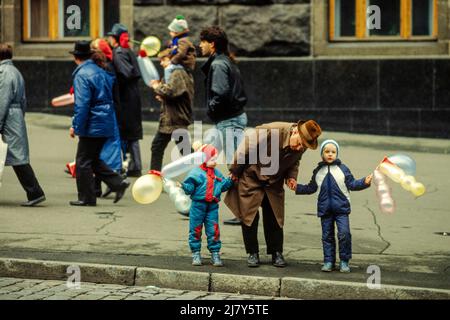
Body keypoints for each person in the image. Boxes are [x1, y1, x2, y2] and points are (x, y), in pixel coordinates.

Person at [225, 120, 322, 268]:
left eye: (303, 147)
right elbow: (244, 149)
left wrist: (291, 177)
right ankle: (252, 253)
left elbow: (294, 162)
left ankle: (276, 253)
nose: (299, 148)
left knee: (275, 216)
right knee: (249, 216)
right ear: (295, 131)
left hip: (274, 181)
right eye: (299, 144)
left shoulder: (303, 143)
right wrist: (234, 171)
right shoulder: (270, 131)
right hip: (252, 176)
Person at [295, 139, 373, 273]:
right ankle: (329, 261)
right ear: (322, 154)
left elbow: (352, 184)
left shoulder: (343, 169)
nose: (330, 154)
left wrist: (364, 182)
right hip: (325, 210)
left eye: (333, 152)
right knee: (327, 236)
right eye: (327, 151)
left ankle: (344, 261)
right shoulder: (318, 171)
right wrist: (296, 187)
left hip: (341, 209)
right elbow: (311, 187)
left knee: (344, 234)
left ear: (337, 153)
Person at [69, 40, 129, 206]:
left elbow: (82, 104)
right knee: (93, 159)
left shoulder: (82, 74)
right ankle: (118, 183)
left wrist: (76, 126)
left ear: (75, 57)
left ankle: (87, 198)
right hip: (105, 120)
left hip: (93, 123)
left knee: (83, 161)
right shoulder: (100, 70)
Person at [199, 25, 248, 225]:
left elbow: (220, 93)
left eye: (202, 41)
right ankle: (198, 201)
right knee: (206, 160)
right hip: (229, 119)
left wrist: (211, 109)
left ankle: (244, 212)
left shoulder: (218, 64)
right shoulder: (224, 61)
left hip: (229, 120)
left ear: (212, 44)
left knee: (235, 167)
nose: (199, 45)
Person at [0, 43, 45, 207]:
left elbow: (2, 100)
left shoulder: (3, 73)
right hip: (16, 115)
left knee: (18, 158)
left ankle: (35, 192)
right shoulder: (15, 71)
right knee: (18, 156)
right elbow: (24, 99)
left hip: (9, 117)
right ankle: (35, 192)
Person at [180, 145, 234, 267]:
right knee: (195, 229)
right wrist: (183, 186)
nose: (215, 162)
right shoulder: (195, 173)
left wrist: (230, 180)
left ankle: (215, 253)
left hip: (212, 207)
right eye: (212, 159)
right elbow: (190, 189)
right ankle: (196, 253)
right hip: (197, 206)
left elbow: (222, 186)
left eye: (216, 159)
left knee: (213, 230)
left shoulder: (217, 173)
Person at [107, 23, 143, 177]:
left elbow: (126, 73)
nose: (108, 38)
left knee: (128, 133)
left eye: (110, 36)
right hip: (131, 95)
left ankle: (133, 166)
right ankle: (135, 165)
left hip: (126, 97)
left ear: (115, 38)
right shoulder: (126, 50)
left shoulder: (119, 52)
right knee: (131, 133)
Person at [149, 49, 193, 172]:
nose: (161, 63)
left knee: (157, 147)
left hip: (174, 118)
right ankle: (203, 172)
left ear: (172, 59)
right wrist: (162, 95)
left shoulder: (177, 72)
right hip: (175, 117)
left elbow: (171, 91)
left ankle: (154, 178)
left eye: (164, 60)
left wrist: (157, 87)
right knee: (186, 151)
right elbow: (175, 93)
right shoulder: (176, 72)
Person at [166, 15, 196, 81]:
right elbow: (173, 49)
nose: (170, 33)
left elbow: (181, 53)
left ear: (177, 32)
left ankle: (168, 84)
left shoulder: (183, 40)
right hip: (180, 62)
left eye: (171, 31)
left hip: (185, 63)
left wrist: (171, 61)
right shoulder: (176, 40)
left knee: (168, 69)